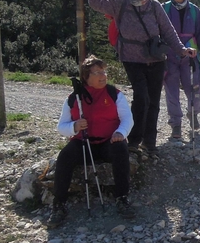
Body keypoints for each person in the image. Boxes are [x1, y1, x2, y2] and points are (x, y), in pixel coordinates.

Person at [87, 0, 188, 154]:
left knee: (154, 101)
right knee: (141, 98)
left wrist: (182, 50)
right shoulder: (119, 3)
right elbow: (95, 2)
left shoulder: (154, 5)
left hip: (156, 59)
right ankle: (133, 141)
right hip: (132, 59)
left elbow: (168, 31)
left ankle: (149, 142)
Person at [48, 55, 135, 227]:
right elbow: (61, 126)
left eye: (104, 71)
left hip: (108, 141)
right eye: (98, 72)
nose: (103, 75)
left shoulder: (113, 94)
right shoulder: (74, 98)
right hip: (82, 142)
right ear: (87, 76)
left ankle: (122, 198)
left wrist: (120, 132)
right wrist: (74, 126)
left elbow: (127, 119)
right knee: (65, 157)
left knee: (121, 150)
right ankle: (59, 205)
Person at [161, 0, 200, 140]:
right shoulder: (164, 8)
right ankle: (176, 124)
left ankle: (193, 114)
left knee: (194, 88)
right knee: (172, 91)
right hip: (169, 56)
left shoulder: (194, 10)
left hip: (190, 57)